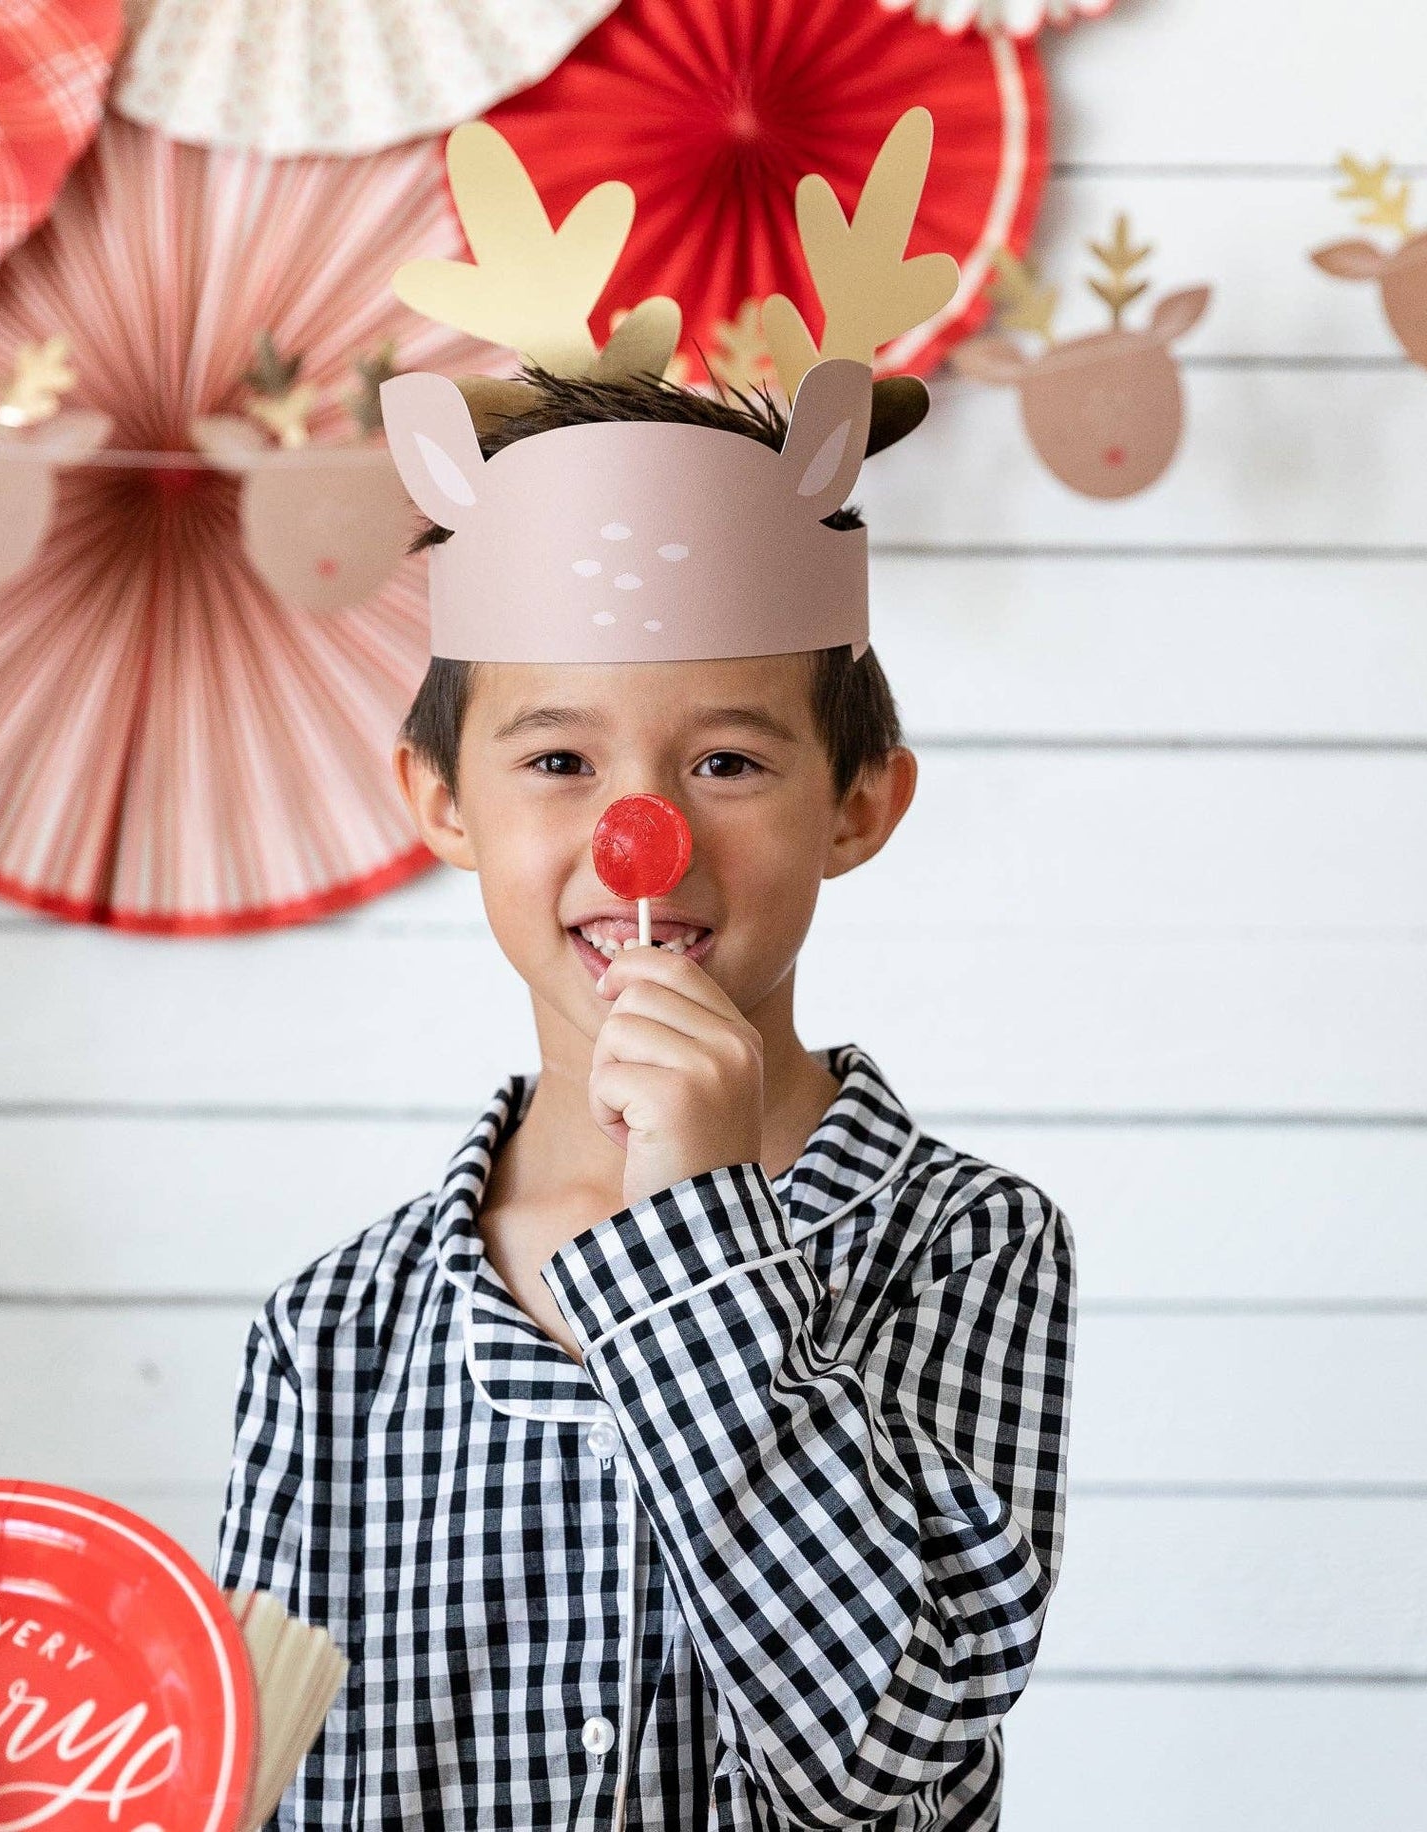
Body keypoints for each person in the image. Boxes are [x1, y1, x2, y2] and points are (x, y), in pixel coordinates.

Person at [217, 109, 1075, 1831]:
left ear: (858, 805)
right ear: (438, 804)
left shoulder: (968, 1245)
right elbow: (260, 1783)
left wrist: (691, 1223)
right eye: (557, 762)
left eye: (727, 763)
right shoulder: (332, 1332)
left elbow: (880, 1761)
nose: (642, 842)